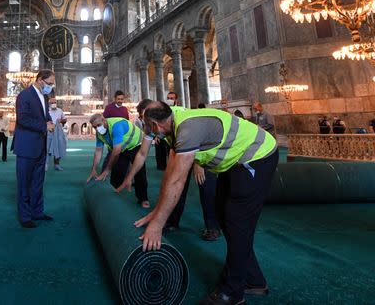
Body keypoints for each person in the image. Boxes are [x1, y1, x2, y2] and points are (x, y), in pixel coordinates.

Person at [136, 102, 278, 305]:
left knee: (237, 221)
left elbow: (178, 181)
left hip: (257, 155)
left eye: (145, 125)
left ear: (154, 124)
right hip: (234, 161)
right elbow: (170, 175)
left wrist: (157, 225)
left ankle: (231, 293)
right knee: (222, 214)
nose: (146, 130)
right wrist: (157, 213)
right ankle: (253, 280)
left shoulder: (186, 130)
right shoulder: (171, 124)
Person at [119, 100, 221, 241]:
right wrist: (130, 176)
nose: (144, 121)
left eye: (143, 116)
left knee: (206, 188)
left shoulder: (181, 116)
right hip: (180, 151)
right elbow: (142, 154)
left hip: (205, 152)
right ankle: (172, 221)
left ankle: (212, 227)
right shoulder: (151, 123)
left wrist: (199, 164)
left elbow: (198, 137)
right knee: (173, 184)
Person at [13, 69, 56, 228]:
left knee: (38, 182)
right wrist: (44, 126)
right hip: (26, 146)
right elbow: (22, 118)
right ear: (39, 80)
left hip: (40, 145)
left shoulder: (44, 97)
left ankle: (37, 212)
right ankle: (25, 217)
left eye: (52, 84)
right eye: (49, 83)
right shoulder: (24, 95)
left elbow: (45, 115)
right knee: (24, 183)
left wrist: (50, 122)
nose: (50, 87)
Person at [87, 112, 150, 208]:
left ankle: (143, 198)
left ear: (104, 120)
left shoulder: (116, 126)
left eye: (99, 125)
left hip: (136, 144)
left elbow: (116, 151)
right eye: (94, 127)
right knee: (117, 171)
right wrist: (94, 169)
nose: (97, 129)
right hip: (121, 147)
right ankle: (114, 196)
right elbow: (98, 151)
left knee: (139, 171)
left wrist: (107, 170)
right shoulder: (99, 134)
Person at [47, 97, 68, 171]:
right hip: (49, 132)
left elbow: (65, 119)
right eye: (52, 103)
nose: (53, 104)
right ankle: (46, 164)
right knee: (48, 148)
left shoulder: (60, 111)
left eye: (55, 102)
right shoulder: (47, 111)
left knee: (58, 147)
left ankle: (57, 164)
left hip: (58, 132)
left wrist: (61, 120)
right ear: (49, 104)